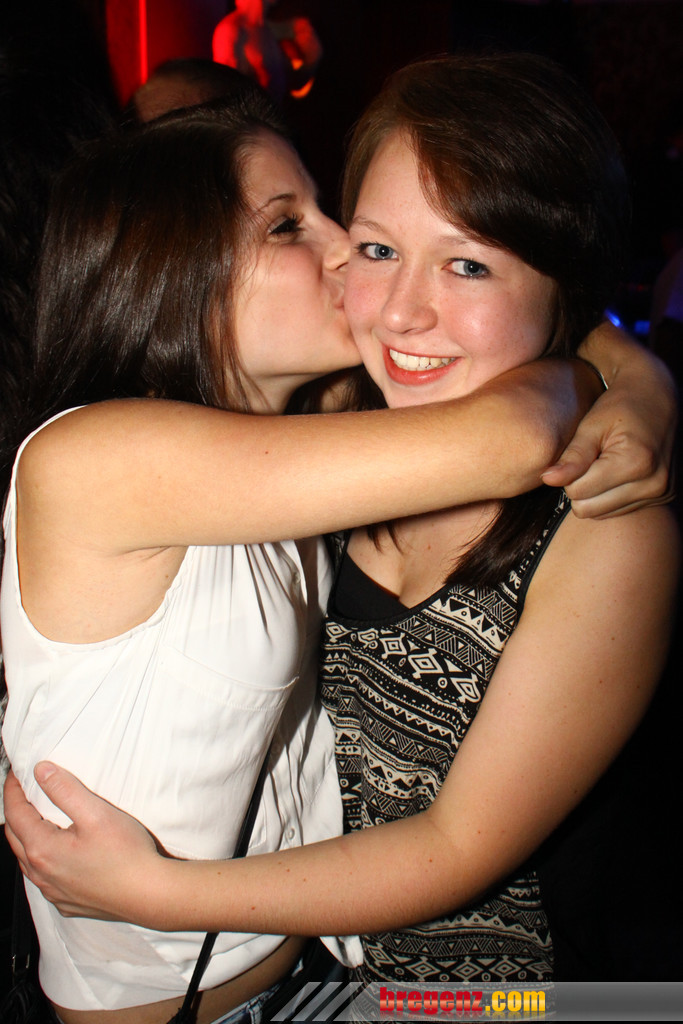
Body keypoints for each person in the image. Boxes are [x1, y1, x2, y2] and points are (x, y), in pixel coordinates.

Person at [5, 54, 677, 1004]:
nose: (378, 288)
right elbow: (511, 428)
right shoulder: (200, 452)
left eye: (466, 263)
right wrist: (630, 375)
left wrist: (626, 369)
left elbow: (459, 844)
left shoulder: (600, 524)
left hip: (504, 996)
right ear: (175, 263)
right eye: (370, 246)